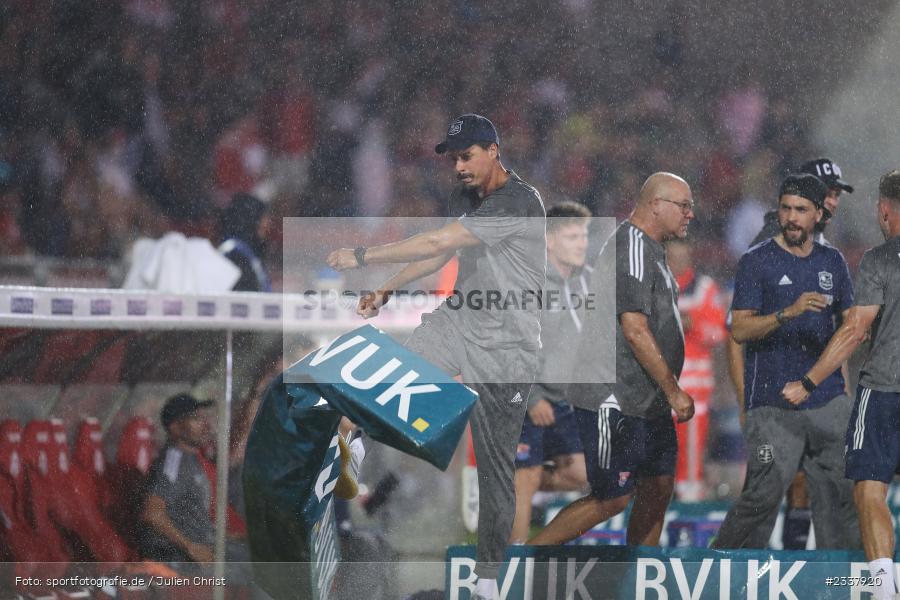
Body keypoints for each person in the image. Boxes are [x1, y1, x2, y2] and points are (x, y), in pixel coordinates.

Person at [327, 114, 545, 600]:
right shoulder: (467, 195)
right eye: (452, 159)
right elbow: (440, 254)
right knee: (394, 373)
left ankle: (488, 583)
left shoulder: (520, 202)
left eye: (466, 156)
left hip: (507, 342)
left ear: (493, 150)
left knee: (493, 468)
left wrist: (365, 258)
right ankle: (349, 446)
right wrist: (387, 287)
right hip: (461, 319)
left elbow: (440, 241)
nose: (458, 167)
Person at [530, 172, 695, 546]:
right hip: (614, 397)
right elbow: (634, 329)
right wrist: (674, 391)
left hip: (645, 398)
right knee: (612, 497)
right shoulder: (632, 246)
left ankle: (639, 578)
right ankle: (521, 568)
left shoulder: (650, 249)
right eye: (683, 206)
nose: (690, 214)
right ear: (656, 205)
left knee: (658, 485)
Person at [711, 174, 859, 551]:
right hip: (771, 408)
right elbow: (740, 330)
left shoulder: (833, 262)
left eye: (801, 210)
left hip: (827, 404)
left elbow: (849, 329)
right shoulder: (756, 261)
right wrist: (786, 313)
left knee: (838, 496)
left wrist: (843, 393)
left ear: (818, 215)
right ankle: (721, 572)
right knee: (762, 492)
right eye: (786, 208)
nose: (792, 217)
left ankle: (839, 585)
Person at [782, 169, 900, 600]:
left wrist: (809, 382)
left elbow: (855, 330)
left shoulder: (881, 260)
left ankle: (884, 587)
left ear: (883, 210)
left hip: (886, 388)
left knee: (870, 485)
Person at [510, 201, 590, 543]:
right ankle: (510, 567)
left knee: (579, 474)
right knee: (525, 477)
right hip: (527, 397)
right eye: (572, 236)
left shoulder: (585, 283)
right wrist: (532, 397)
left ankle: (503, 485)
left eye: (584, 235)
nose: (582, 243)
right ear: (550, 241)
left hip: (564, 400)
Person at [140, 394, 251, 578]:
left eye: (203, 417)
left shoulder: (191, 457)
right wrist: (191, 547)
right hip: (179, 556)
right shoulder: (173, 461)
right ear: (175, 428)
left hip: (206, 545)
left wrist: (233, 537)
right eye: (196, 419)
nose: (205, 424)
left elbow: (192, 521)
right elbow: (152, 513)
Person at [666, 239, 727, 501]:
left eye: (683, 256)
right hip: (657, 383)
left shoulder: (704, 288)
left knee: (689, 449)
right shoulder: (652, 284)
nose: (677, 262)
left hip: (693, 385)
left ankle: (689, 496)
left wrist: (692, 324)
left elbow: (718, 333)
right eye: (672, 256)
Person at [218, 192, 272, 292]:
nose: (267, 223)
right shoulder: (233, 253)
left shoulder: (248, 252)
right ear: (250, 218)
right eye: (263, 217)